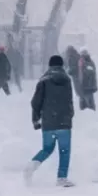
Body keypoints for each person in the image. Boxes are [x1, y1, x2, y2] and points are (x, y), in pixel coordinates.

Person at [28, 55, 75, 187]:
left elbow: (35, 102)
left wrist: (35, 120)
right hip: (64, 122)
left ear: (50, 65)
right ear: (62, 65)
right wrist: (70, 115)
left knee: (47, 149)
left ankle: (31, 167)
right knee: (64, 151)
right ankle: (62, 178)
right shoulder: (67, 80)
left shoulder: (43, 80)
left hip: (48, 121)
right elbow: (69, 100)